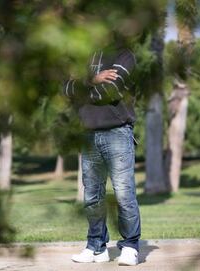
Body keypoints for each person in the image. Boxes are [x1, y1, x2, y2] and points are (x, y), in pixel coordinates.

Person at [62, 31, 141, 266]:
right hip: (88, 134)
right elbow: (65, 89)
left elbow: (111, 91)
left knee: (124, 193)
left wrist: (82, 88)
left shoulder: (125, 55)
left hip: (117, 132)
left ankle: (130, 247)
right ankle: (96, 247)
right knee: (92, 196)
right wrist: (92, 80)